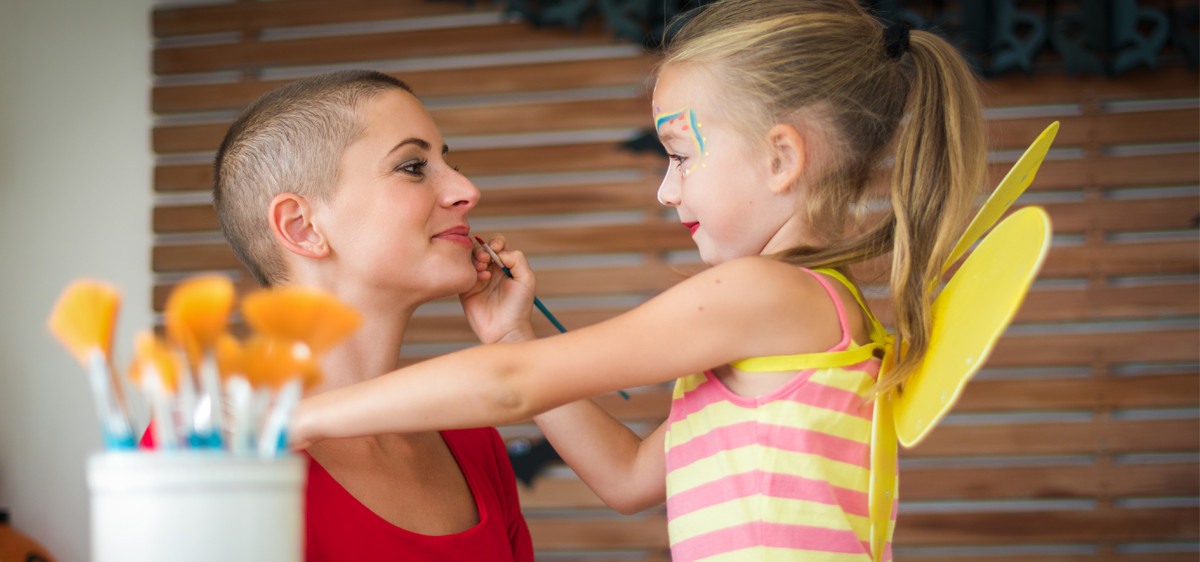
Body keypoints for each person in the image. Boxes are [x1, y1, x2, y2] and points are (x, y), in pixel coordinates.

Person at [290, 0, 988, 559]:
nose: (665, 190)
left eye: (680, 156)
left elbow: (511, 385)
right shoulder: (806, 317)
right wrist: (513, 330)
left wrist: (302, 419)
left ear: (781, 157)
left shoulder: (763, 294)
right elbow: (627, 480)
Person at [177, 69, 534, 560]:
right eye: (413, 167)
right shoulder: (202, 447)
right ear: (302, 228)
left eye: (447, 162)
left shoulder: (476, 442)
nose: (466, 190)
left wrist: (514, 336)